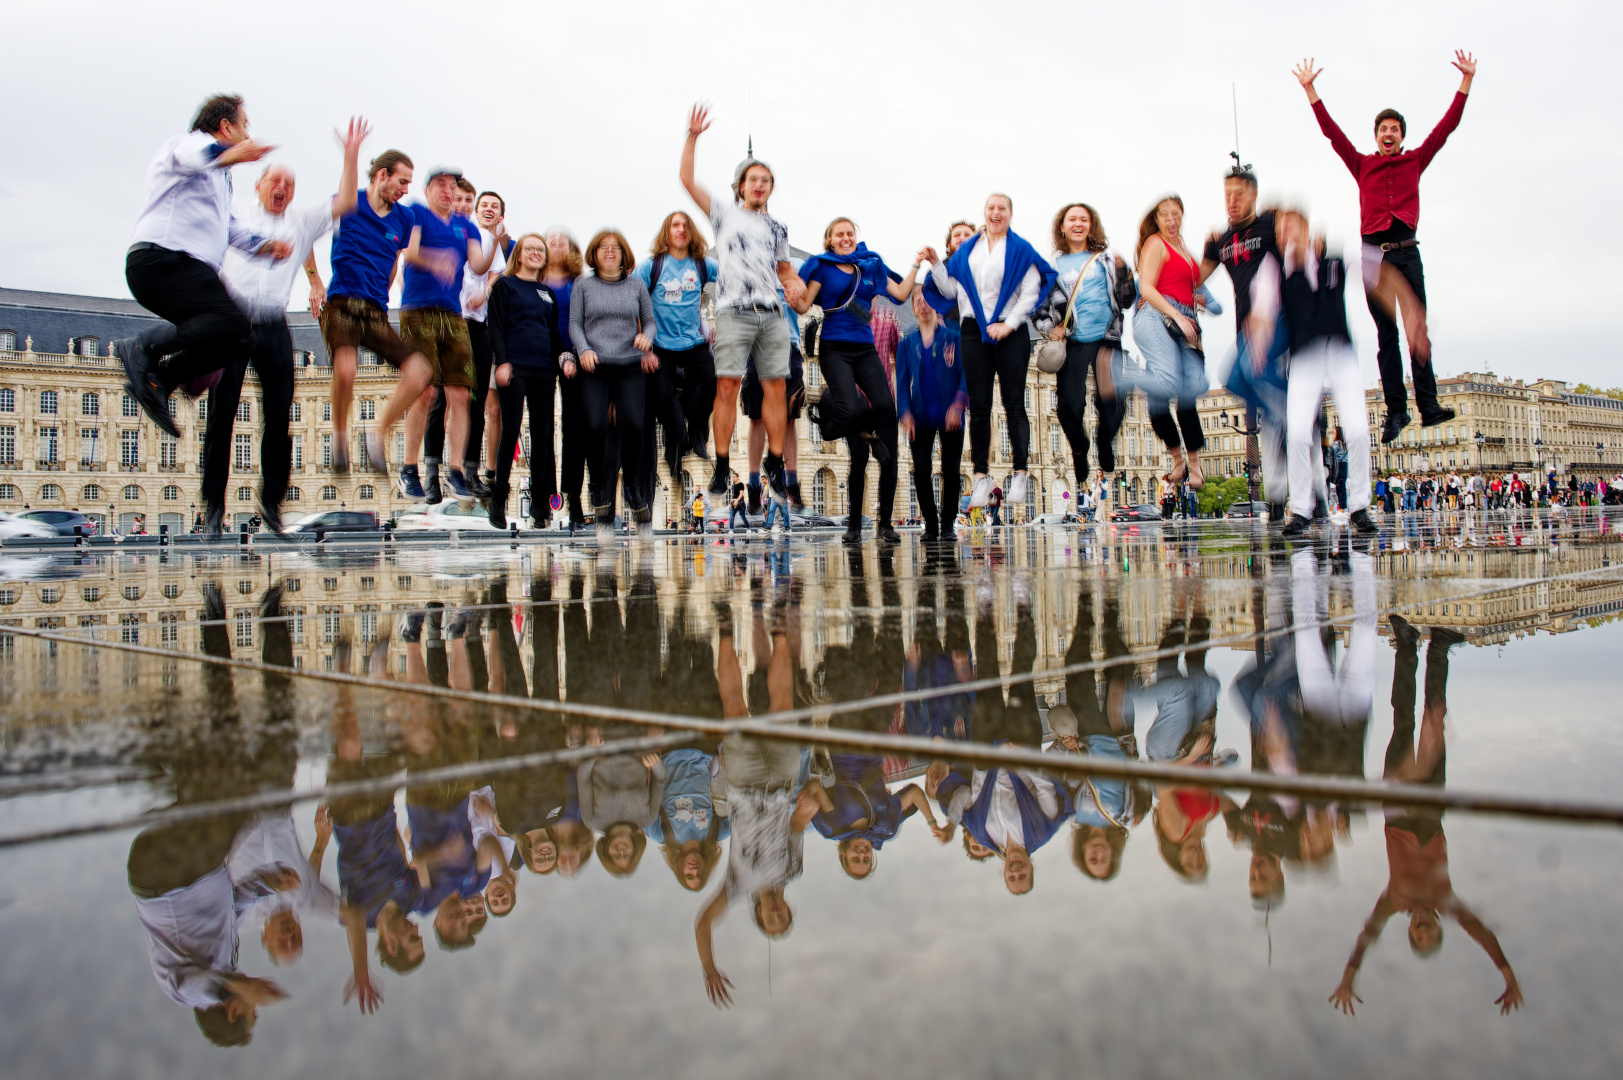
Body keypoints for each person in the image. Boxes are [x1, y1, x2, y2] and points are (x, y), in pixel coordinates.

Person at [1295, 52, 1476, 443]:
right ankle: (1397, 411)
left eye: (1395, 128)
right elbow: (1333, 135)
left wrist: (1466, 82)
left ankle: (1427, 405)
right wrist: (1312, 92)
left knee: (1417, 329)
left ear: (1402, 136)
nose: (1389, 134)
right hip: (1375, 254)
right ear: (1376, 136)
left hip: (1407, 251)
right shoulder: (1362, 165)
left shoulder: (1415, 160)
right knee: (1387, 334)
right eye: (1383, 129)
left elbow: (1447, 128)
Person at [202, 119, 369, 539]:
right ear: (258, 186)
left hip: (275, 323)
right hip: (232, 322)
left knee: (279, 417)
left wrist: (350, 155)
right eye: (274, 181)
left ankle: (272, 504)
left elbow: (346, 200)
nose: (282, 188)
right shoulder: (234, 210)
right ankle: (212, 508)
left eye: (289, 184)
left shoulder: (300, 219)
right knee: (222, 416)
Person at [115, 93, 287, 441]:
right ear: (225, 127)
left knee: (242, 339)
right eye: (245, 127)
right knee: (233, 322)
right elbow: (196, 155)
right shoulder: (186, 145)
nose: (249, 136)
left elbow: (229, 229)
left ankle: (158, 382)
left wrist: (265, 246)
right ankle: (141, 347)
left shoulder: (220, 180)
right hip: (160, 260)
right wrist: (228, 153)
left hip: (186, 271)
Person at [678, 104, 806, 523]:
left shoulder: (778, 229)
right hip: (733, 309)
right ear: (740, 186)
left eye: (766, 181)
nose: (760, 185)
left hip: (771, 312)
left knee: (776, 388)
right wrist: (693, 137)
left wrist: (797, 287)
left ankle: (772, 460)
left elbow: (785, 272)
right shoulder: (724, 214)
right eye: (754, 179)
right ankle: (719, 465)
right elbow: (686, 180)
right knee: (728, 387)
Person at [922, 194, 1056, 510]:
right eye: (990, 208)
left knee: (1013, 403)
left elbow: (1031, 290)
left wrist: (1008, 325)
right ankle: (980, 476)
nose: (996, 213)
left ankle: (1021, 471)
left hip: (1011, 330)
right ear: (984, 214)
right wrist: (936, 263)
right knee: (980, 406)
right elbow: (951, 289)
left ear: (1010, 214)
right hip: (972, 328)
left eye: (1002, 208)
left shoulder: (1019, 249)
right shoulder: (968, 251)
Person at [794, 218, 921, 544]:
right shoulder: (822, 268)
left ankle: (885, 524)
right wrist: (790, 290)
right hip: (836, 347)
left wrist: (916, 264)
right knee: (855, 445)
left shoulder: (869, 267)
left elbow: (902, 294)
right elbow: (804, 303)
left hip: (864, 350)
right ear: (830, 239)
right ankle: (853, 524)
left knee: (883, 404)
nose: (847, 238)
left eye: (851, 233)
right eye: (840, 234)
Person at [316, 148, 431, 474]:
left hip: (375, 311)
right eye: (402, 181)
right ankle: (340, 435)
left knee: (420, 371)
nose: (405, 189)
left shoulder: (404, 218)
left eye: (409, 183)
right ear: (382, 175)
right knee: (347, 370)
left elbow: (397, 256)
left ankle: (377, 431)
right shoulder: (349, 203)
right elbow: (306, 234)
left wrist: (390, 289)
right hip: (340, 305)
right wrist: (351, 154)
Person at [394, 166, 504, 504]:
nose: (447, 190)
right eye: (441, 185)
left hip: (453, 315)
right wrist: (434, 259)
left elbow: (479, 267)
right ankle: (410, 468)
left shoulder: (467, 226)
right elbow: (409, 253)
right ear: (428, 190)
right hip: (418, 310)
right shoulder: (417, 215)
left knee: (461, 395)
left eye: (452, 185)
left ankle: (455, 471)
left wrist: (496, 242)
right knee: (426, 392)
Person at [1271, 209, 1379, 537]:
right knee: (1299, 434)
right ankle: (1301, 509)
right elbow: (1263, 308)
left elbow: (1373, 266)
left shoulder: (1335, 258)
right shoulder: (1278, 272)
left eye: (1288, 228)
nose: (1284, 236)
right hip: (1305, 356)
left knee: (1359, 430)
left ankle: (1360, 506)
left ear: (1304, 229)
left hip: (1340, 350)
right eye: (1280, 231)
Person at [1200, 165, 1289, 514]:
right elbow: (1195, 277)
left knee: (1250, 381)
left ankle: (1295, 422)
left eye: (1238, 194)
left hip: (1277, 324)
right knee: (1245, 389)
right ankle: (1279, 496)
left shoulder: (1270, 224)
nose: (1232, 202)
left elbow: (1297, 248)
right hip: (1244, 333)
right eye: (1226, 196)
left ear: (1253, 194)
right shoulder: (1221, 240)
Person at [1034, 201, 1131, 492]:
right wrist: (1051, 330)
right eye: (1072, 219)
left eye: (1084, 219)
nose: (1078, 224)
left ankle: (1104, 442)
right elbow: (1036, 307)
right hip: (1074, 341)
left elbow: (1126, 300)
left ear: (1091, 225)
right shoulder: (1051, 268)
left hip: (1107, 338)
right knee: (1068, 407)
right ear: (1062, 227)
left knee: (1113, 402)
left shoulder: (1106, 261)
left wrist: (1125, 273)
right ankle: (1079, 448)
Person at [570, 229, 657, 540]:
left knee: (634, 423)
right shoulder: (583, 285)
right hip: (595, 366)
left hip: (628, 365)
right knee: (594, 425)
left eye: (615, 248)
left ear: (623, 255)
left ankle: (633, 488)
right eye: (603, 248)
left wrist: (647, 337)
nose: (609, 252)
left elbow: (649, 319)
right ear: (594, 254)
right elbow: (574, 324)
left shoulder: (636, 286)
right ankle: (600, 492)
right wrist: (583, 350)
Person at [424, 188, 509, 502]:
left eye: (491, 205)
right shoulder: (439, 232)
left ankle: (469, 472)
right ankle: (432, 474)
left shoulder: (485, 240)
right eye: (480, 204)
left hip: (477, 325)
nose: (484, 209)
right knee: (440, 400)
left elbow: (497, 274)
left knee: (475, 403)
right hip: (446, 322)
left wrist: (485, 293)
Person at [487, 232, 569, 530]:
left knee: (543, 436)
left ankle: (539, 507)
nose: (536, 253)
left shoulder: (546, 293)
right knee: (511, 431)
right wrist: (502, 362)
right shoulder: (504, 286)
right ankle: (497, 499)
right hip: (515, 368)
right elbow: (495, 327)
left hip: (544, 371)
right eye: (530, 249)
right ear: (518, 255)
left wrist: (565, 357)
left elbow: (553, 335)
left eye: (540, 249)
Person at [1129, 194, 1211, 490]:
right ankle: (1178, 459)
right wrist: (1175, 313)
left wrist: (1215, 251)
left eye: (1176, 213)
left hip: (1187, 318)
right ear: (1157, 219)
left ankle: (1195, 467)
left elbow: (1194, 279)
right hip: (1163, 318)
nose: (1171, 219)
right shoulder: (1155, 243)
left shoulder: (1183, 248)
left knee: (1188, 393)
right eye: (1165, 214)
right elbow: (1147, 287)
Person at [636, 211, 719, 485]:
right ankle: (676, 439)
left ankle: (697, 431)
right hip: (660, 344)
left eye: (685, 226)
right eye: (675, 225)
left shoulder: (703, 265)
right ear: (667, 232)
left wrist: (724, 321)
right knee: (661, 396)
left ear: (691, 232)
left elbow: (734, 279)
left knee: (710, 384)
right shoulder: (652, 266)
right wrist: (644, 346)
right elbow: (633, 301)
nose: (681, 230)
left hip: (693, 341)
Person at [896, 286, 967, 542]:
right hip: (920, 417)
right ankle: (931, 524)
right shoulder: (906, 345)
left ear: (935, 306)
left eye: (928, 301)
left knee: (951, 470)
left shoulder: (953, 338)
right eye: (918, 301)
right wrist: (904, 413)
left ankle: (948, 524)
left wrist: (958, 405)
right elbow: (902, 383)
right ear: (913, 308)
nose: (923, 305)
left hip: (951, 416)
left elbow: (964, 376)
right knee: (922, 471)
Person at [743, 258, 808, 519]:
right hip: (755, 345)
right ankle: (753, 484)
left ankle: (790, 480)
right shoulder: (745, 269)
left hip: (788, 344)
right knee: (757, 416)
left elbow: (809, 298)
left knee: (790, 414)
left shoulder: (794, 269)